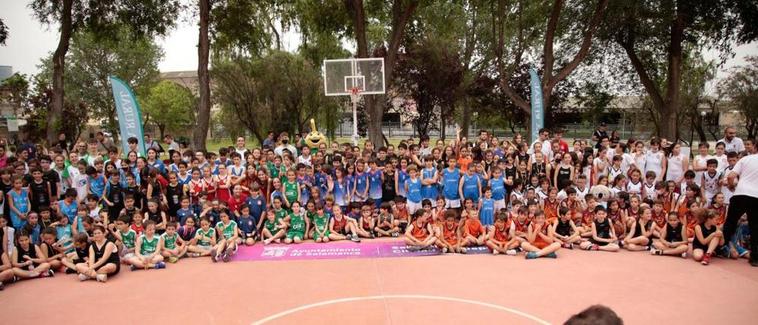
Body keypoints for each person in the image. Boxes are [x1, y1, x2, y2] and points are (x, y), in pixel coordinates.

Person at [722, 151, 758, 266]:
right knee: (755, 227)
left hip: (740, 194)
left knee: (730, 223)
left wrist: (732, 186)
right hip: (756, 196)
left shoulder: (745, 159)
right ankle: (755, 258)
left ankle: (719, 247)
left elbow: (731, 176)